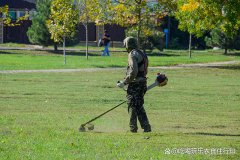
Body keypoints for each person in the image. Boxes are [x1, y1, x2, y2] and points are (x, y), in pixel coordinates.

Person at [117, 37, 151, 133]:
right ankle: (146, 126)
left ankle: (133, 128)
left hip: (135, 84)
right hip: (143, 82)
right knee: (139, 105)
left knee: (132, 105)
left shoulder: (132, 54)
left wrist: (125, 82)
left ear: (127, 45)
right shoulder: (142, 53)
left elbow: (134, 71)